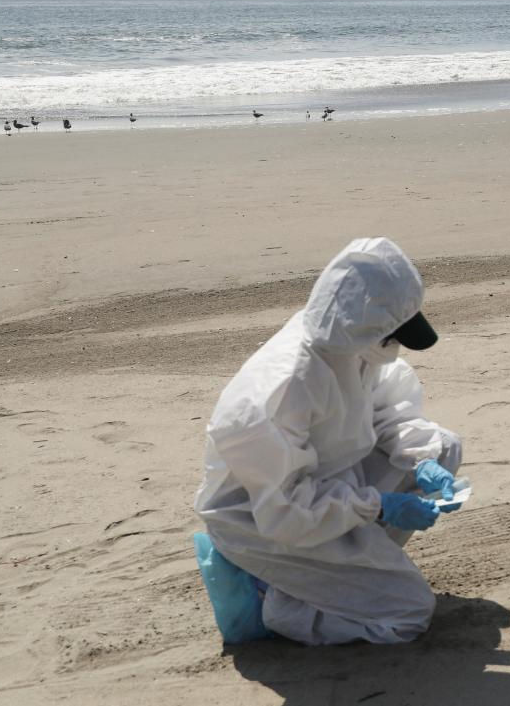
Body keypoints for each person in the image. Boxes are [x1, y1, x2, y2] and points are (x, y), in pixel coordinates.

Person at [193, 237, 463, 645]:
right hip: (261, 521)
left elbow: (384, 405)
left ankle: (345, 572)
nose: (396, 344)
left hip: (325, 484)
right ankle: (267, 600)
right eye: (393, 334)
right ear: (368, 326)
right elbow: (286, 510)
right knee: (406, 614)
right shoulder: (284, 385)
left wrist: (422, 460)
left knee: (442, 447)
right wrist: (378, 505)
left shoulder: (349, 340)